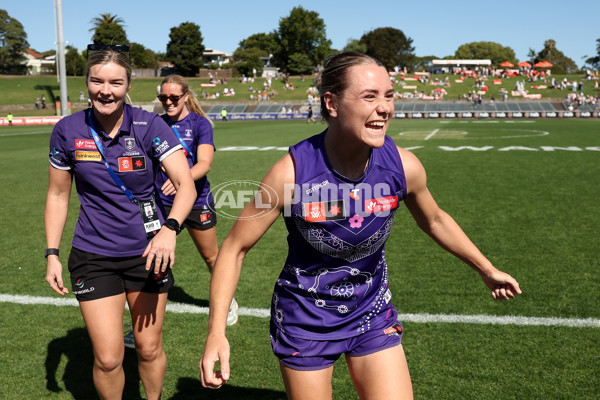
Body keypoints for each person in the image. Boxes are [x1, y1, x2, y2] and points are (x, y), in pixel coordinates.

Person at [199, 52, 522, 399]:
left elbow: (435, 219)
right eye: (370, 96)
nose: (385, 108)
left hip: (372, 310)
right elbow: (235, 248)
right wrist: (217, 331)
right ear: (332, 103)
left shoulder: (403, 166)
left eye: (389, 95)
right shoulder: (290, 174)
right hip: (306, 319)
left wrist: (486, 269)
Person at [44, 47, 196, 400]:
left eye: (115, 82)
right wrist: (52, 253)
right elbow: (57, 195)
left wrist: (169, 230)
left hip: (148, 254)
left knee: (147, 348)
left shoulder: (148, 125)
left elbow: (186, 184)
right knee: (109, 358)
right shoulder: (67, 130)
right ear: (86, 83)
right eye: (97, 81)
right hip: (93, 257)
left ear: (128, 85)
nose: (105, 90)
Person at [124, 75, 238, 347]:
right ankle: (140, 328)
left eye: (174, 97)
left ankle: (228, 302)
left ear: (186, 96)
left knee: (211, 257)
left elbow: (205, 163)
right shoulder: (155, 123)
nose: (168, 102)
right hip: (161, 204)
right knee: (151, 260)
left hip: (196, 201)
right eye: (163, 98)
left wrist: (182, 182)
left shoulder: (200, 124)